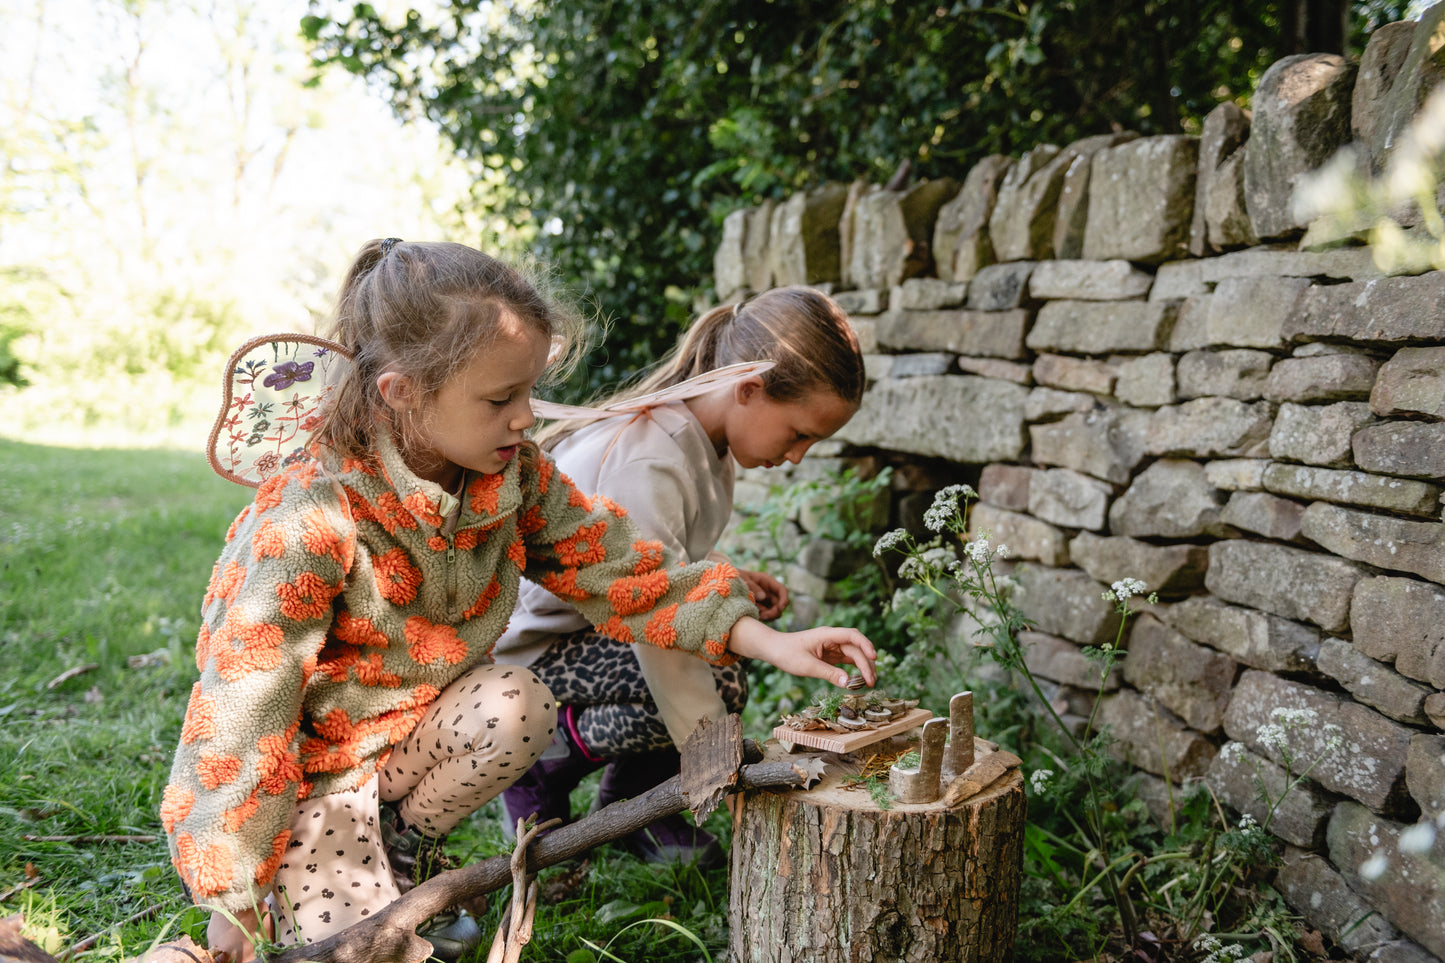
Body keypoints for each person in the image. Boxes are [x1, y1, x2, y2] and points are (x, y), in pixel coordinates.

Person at [162, 242, 876, 963]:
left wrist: (767, 637)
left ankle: (401, 845)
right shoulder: (311, 514)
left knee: (517, 700)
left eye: (528, 391)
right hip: (311, 779)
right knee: (376, 953)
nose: (526, 417)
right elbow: (245, 702)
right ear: (401, 391)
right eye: (501, 398)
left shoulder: (509, 480)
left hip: (397, 748)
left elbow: (624, 570)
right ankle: (313, 876)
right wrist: (233, 888)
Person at [494, 286, 866, 867]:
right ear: (748, 390)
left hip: (600, 624)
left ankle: (637, 810)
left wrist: (728, 578)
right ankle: (541, 762)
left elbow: (657, 562)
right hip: (531, 652)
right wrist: (717, 769)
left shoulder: (708, 438)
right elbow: (659, 624)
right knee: (716, 675)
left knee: (721, 659)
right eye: (798, 434)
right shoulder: (650, 458)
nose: (797, 456)